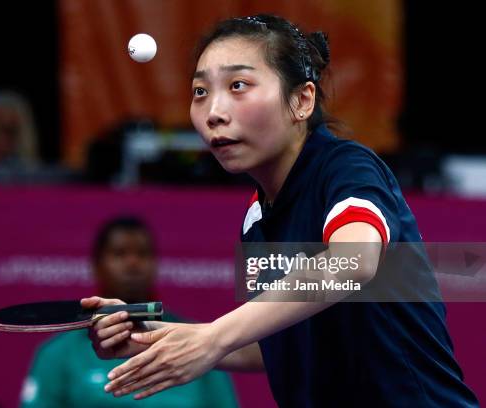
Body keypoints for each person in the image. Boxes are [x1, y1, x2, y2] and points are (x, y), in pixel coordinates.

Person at [82, 14, 480, 407]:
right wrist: (155, 336)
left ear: (301, 100)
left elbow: (354, 260)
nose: (214, 112)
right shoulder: (257, 217)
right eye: (200, 92)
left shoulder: (345, 169)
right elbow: (278, 341)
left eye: (238, 85)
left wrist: (214, 337)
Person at [21, 216, 238, 408]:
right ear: (97, 265)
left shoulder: (195, 341)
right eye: (120, 254)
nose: (133, 263)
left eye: (142, 254)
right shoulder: (60, 353)